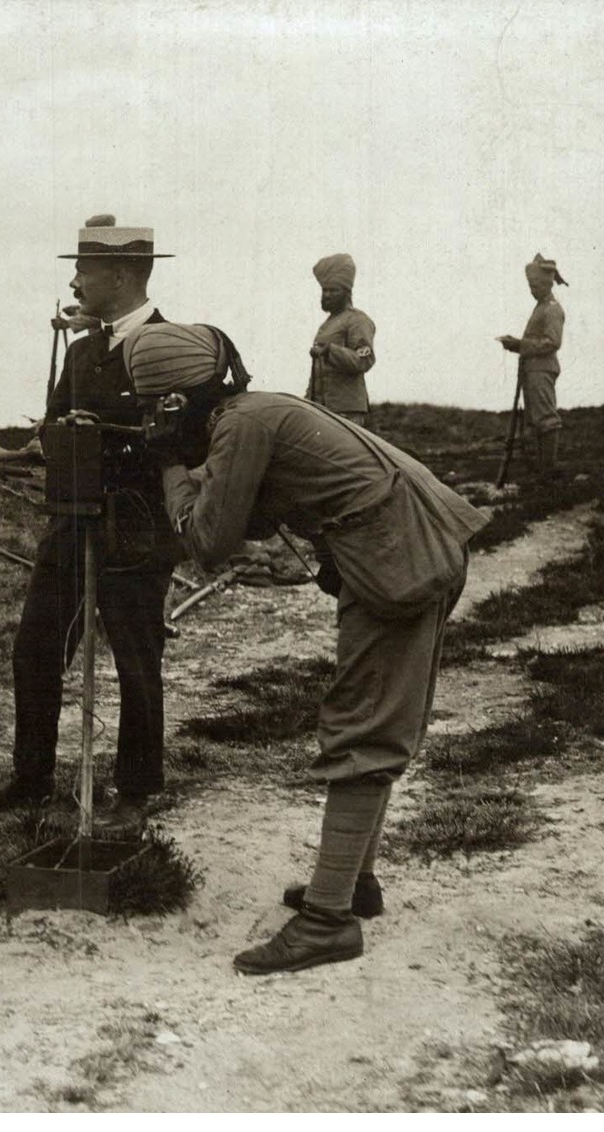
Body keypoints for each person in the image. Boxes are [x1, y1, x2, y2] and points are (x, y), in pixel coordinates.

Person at [160, 388, 487, 974]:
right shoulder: (257, 410)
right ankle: (355, 884)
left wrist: (169, 473)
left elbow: (208, 541)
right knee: (377, 718)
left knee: (364, 729)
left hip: (396, 558)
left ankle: (326, 921)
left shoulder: (242, 426)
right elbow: (258, 510)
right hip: (412, 542)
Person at [0, 214, 190, 833]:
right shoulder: (84, 350)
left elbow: (189, 443)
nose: (77, 281)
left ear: (118, 273)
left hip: (136, 531)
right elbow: (54, 423)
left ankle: (135, 794)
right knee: (35, 650)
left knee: (137, 661)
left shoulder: (172, 346)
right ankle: (31, 779)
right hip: (72, 523)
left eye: (84, 269)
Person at [497, 254, 568, 482]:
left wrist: (520, 345)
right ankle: (541, 472)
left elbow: (552, 342)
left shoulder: (552, 309)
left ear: (547, 283)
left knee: (546, 419)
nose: (532, 289)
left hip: (542, 370)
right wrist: (517, 346)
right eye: (530, 286)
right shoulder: (541, 308)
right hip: (532, 370)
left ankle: (548, 472)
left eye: (535, 284)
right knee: (536, 420)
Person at [304, 254, 376, 427]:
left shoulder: (357, 320)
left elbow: (364, 360)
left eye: (333, 290)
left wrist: (330, 351)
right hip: (322, 409)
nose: (327, 295)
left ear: (346, 292)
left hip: (347, 413)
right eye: (324, 290)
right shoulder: (327, 324)